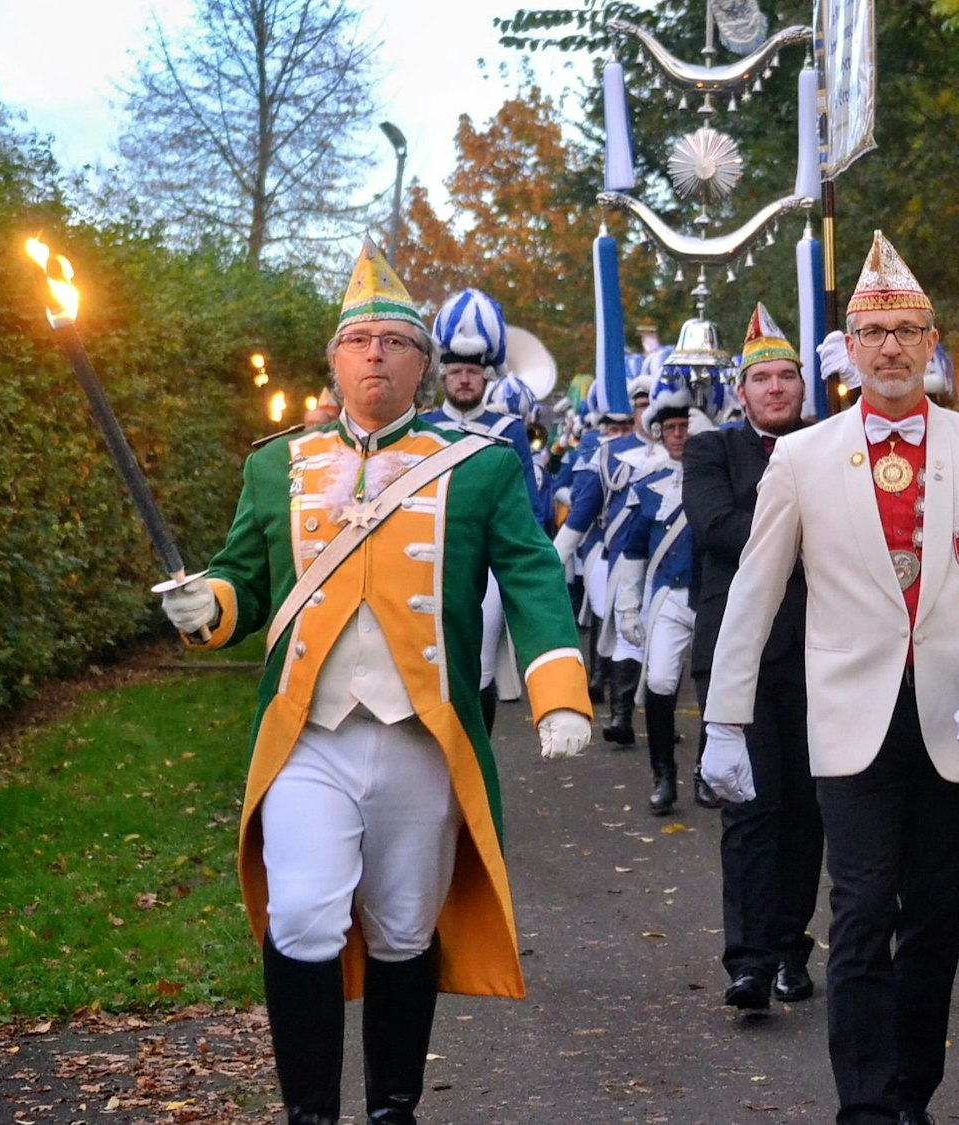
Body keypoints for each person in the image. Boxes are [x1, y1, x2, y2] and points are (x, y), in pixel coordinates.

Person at [155, 239, 592, 1125]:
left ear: (424, 364)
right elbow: (246, 577)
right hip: (308, 735)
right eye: (360, 343)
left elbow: (533, 574)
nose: (376, 357)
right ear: (334, 359)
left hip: (421, 737)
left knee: (402, 927)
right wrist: (211, 603)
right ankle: (310, 1116)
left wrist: (557, 691)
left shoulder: (479, 464)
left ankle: (394, 1109)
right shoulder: (275, 464)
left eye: (396, 342)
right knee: (304, 914)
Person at [702, 232, 959, 1125]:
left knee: (936, 920)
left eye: (908, 330)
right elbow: (755, 587)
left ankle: (911, 1093)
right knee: (862, 910)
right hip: (849, 716)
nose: (893, 348)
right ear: (851, 350)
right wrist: (724, 718)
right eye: (876, 333)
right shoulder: (804, 457)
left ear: (932, 340)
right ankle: (864, 1105)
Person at [685, 304, 823, 1012]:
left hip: (815, 650)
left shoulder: (829, 446)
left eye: (786, 377)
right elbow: (715, 527)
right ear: (741, 393)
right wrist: (802, 537)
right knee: (748, 806)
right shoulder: (712, 452)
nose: (775, 389)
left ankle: (790, 948)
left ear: (803, 387)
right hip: (735, 651)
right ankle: (747, 960)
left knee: (806, 808)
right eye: (762, 378)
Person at [423, 288, 542, 733]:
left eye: (473, 372)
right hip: (431, 555)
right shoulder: (425, 429)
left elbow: (529, 504)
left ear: (486, 376)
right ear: (443, 377)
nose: (465, 380)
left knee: (479, 666)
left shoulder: (508, 429)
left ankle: (477, 755)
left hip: (488, 563)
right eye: (456, 372)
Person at [608, 381, 703, 814]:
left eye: (685, 426)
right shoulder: (646, 485)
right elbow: (633, 550)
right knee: (661, 682)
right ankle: (664, 776)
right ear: (660, 434)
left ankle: (707, 773)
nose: (679, 434)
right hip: (667, 597)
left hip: (712, 599)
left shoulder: (714, 477)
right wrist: (628, 607)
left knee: (716, 690)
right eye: (672, 428)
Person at [552, 373, 654, 744]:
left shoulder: (682, 450)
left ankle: (657, 720)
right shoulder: (606, 452)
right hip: (612, 555)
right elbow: (581, 511)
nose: (644, 414)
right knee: (625, 631)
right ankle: (622, 714)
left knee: (661, 658)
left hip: (666, 567)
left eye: (648, 405)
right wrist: (550, 564)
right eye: (639, 407)